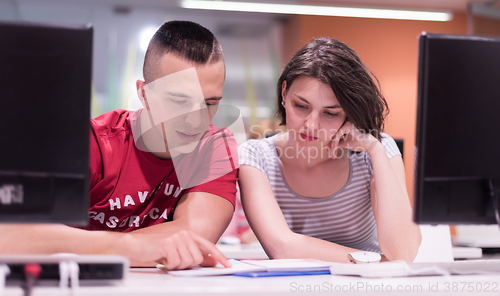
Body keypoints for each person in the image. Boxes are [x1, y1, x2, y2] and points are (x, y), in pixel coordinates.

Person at [0, 21, 238, 270]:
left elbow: (195, 237)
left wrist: (78, 244)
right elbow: (10, 232)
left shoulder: (214, 145)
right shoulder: (93, 143)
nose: (195, 120)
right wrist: (123, 247)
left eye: (210, 103)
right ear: (144, 93)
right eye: (179, 101)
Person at [238, 37, 421, 262]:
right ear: (284, 92)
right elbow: (283, 248)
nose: (311, 124)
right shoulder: (255, 156)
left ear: (348, 114)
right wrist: (376, 261)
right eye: (301, 106)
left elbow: (403, 252)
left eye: (330, 113)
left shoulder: (375, 151)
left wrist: (375, 149)